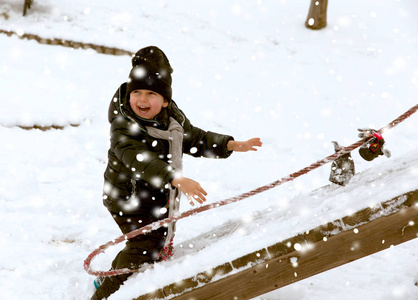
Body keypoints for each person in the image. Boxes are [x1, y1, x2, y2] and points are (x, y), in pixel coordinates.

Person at [91, 46, 262, 300]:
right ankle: (107, 293)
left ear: (165, 100)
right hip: (127, 195)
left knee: (153, 240)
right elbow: (139, 159)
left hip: (155, 191)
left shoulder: (172, 120)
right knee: (145, 245)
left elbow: (195, 138)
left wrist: (230, 144)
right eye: (136, 92)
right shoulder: (123, 126)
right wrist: (175, 178)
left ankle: (119, 273)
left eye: (151, 93)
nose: (142, 100)